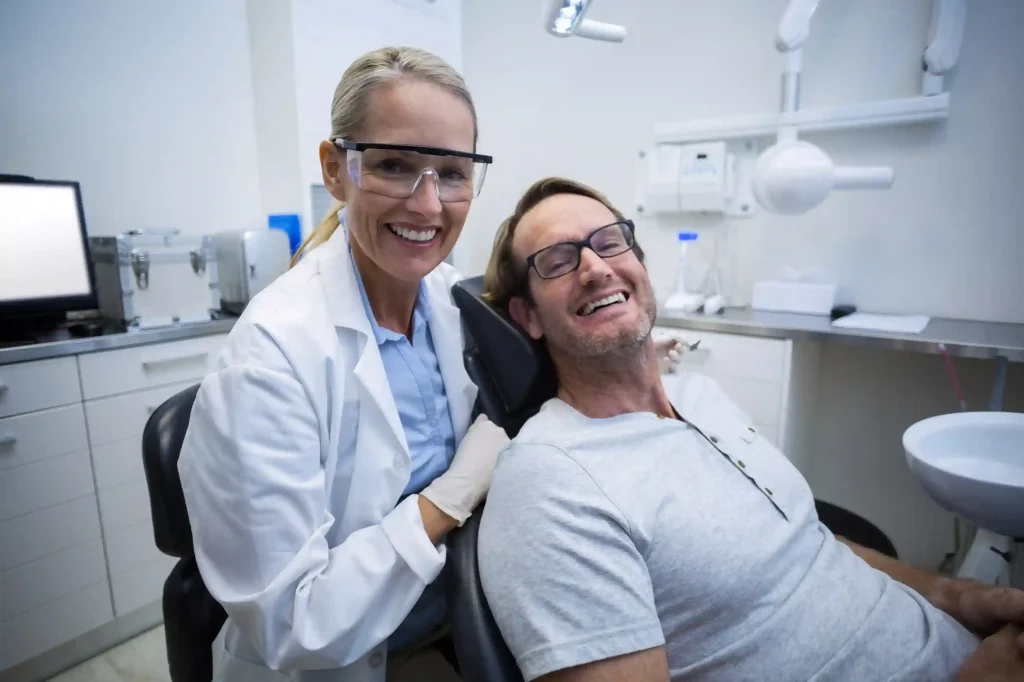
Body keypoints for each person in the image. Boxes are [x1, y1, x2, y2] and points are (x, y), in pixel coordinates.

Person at [476, 177, 1024, 682]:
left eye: (610, 241)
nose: (596, 267)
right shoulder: (552, 484)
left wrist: (958, 596)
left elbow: (807, 544)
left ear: (639, 264)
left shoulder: (701, 398)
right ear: (527, 316)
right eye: (558, 260)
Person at [178, 47, 509, 682]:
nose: (428, 205)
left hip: (459, 616)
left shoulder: (446, 301)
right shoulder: (272, 356)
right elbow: (295, 622)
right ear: (336, 168)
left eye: (452, 172)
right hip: (346, 662)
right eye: (393, 165)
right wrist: (453, 495)